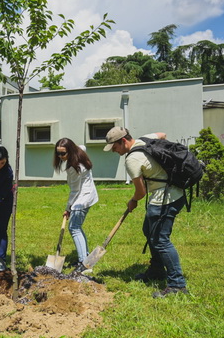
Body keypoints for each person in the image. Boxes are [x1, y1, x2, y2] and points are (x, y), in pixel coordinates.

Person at [104, 126, 189, 298]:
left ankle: (177, 285)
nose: (114, 150)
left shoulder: (132, 159)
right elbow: (163, 134)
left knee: (160, 240)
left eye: (115, 146)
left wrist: (133, 200)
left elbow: (141, 192)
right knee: (148, 230)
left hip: (164, 199)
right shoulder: (145, 139)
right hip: (176, 193)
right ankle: (157, 270)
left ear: (123, 141)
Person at [54, 138, 99, 275]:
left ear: (71, 151)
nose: (60, 157)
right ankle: (85, 258)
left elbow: (75, 191)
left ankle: (83, 264)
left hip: (82, 199)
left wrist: (68, 208)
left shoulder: (74, 168)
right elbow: (83, 146)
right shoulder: (80, 152)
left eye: (63, 153)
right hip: (88, 195)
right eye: (58, 154)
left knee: (74, 228)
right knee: (77, 227)